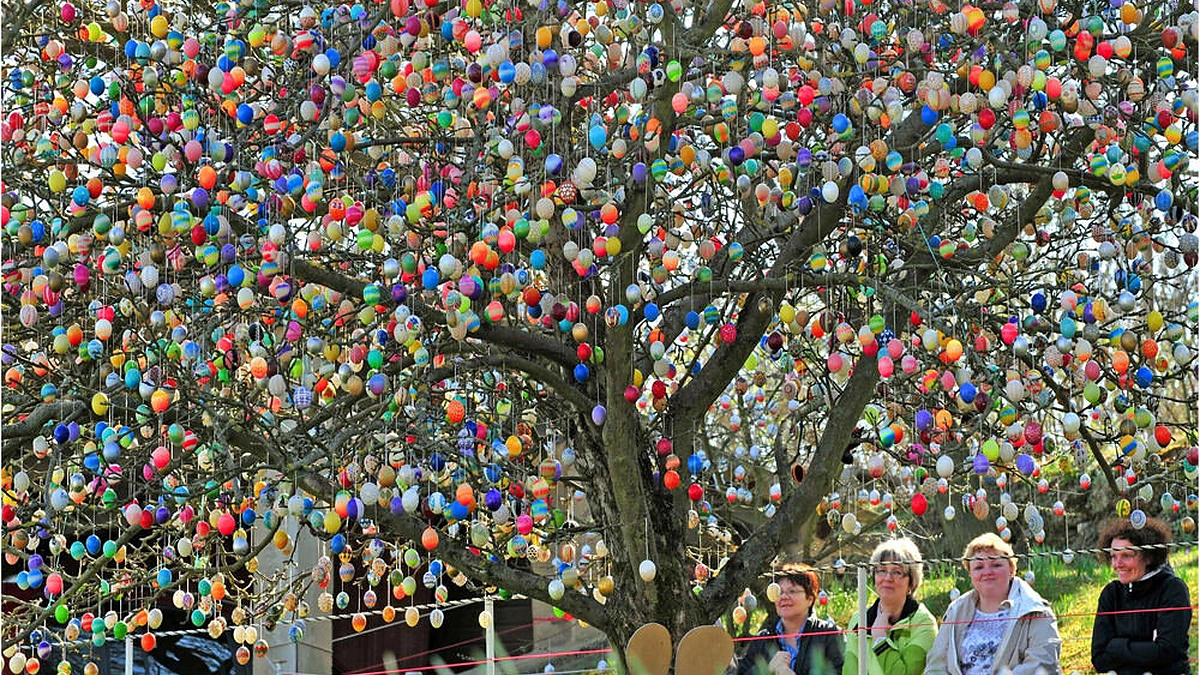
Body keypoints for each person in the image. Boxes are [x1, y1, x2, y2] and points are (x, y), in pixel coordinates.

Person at [925, 533, 1062, 675]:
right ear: (970, 574)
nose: (987, 572)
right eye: (979, 567)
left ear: (1011, 570)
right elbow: (936, 666)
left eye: (996, 565)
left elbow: (1042, 665)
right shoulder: (956, 611)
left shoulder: (1035, 610)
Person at [1091, 517, 1192, 675]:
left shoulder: (1172, 589)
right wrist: (1147, 650)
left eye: (1127, 555)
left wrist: (1115, 647)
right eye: (1113, 556)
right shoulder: (1111, 594)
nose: (1117, 564)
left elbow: (1168, 652)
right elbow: (1099, 659)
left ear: (1149, 556)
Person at [843, 538, 938, 675]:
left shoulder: (923, 623)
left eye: (897, 572)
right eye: (881, 570)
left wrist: (880, 639)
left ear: (912, 583)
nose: (887, 578)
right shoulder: (858, 620)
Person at [737, 564, 844, 675]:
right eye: (779, 592)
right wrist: (768, 670)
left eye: (792, 591)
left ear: (810, 599)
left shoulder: (829, 635)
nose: (784, 597)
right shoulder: (762, 640)